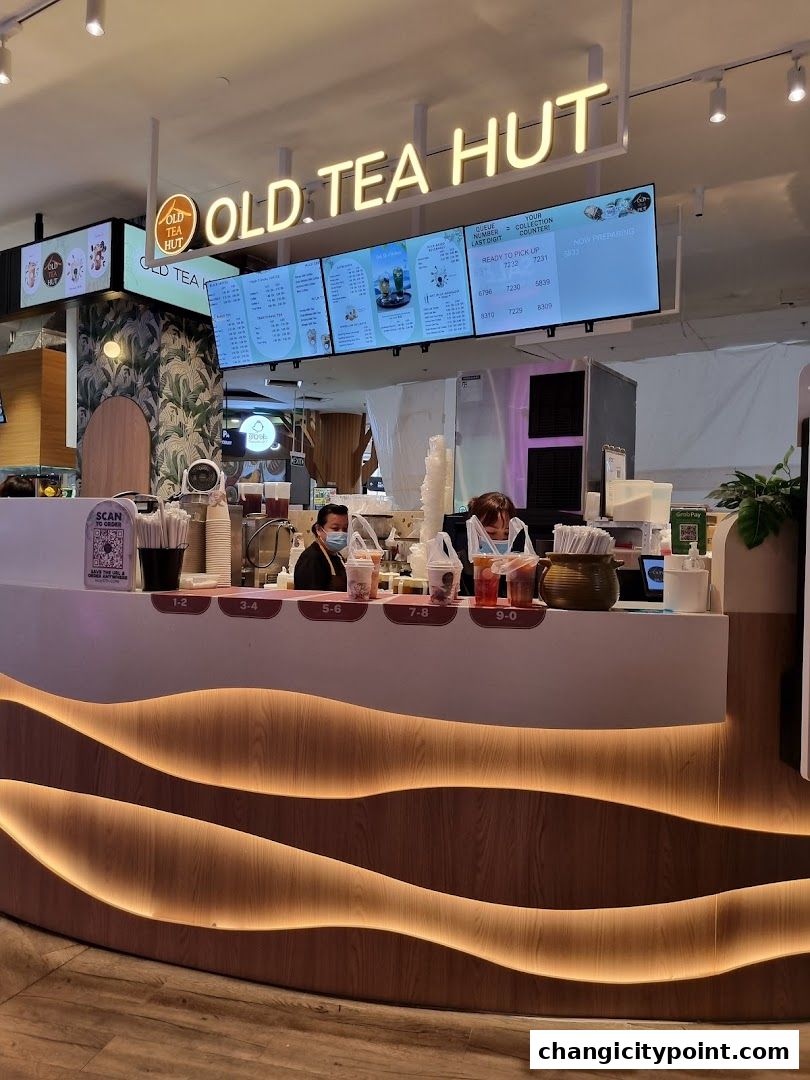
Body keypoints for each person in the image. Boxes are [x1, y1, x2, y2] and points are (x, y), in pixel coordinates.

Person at [293, 503, 349, 591]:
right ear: (319, 529)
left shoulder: (338, 556)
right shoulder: (311, 559)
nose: (341, 533)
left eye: (345, 529)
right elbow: (309, 600)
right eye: (335, 528)